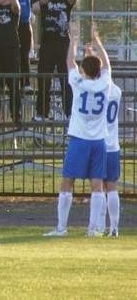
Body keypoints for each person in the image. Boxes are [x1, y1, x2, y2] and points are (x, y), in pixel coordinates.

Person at [44, 23, 111, 237]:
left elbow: (68, 61)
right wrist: (97, 41)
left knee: (67, 182)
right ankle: (94, 229)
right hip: (99, 140)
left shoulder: (78, 83)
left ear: (84, 70)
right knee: (97, 185)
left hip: (79, 139)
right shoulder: (104, 84)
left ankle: (62, 227)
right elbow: (107, 65)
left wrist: (73, 39)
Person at [34, 0, 78, 120]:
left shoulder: (66, 2)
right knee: (44, 80)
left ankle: (68, 113)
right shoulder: (47, 1)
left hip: (63, 45)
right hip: (47, 45)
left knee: (66, 81)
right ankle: (42, 113)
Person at [102, 79, 122, 237]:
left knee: (98, 188)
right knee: (112, 187)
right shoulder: (117, 91)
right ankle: (114, 227)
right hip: (113, 145)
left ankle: (100, 226)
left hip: (98, 142)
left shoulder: (98, 90)